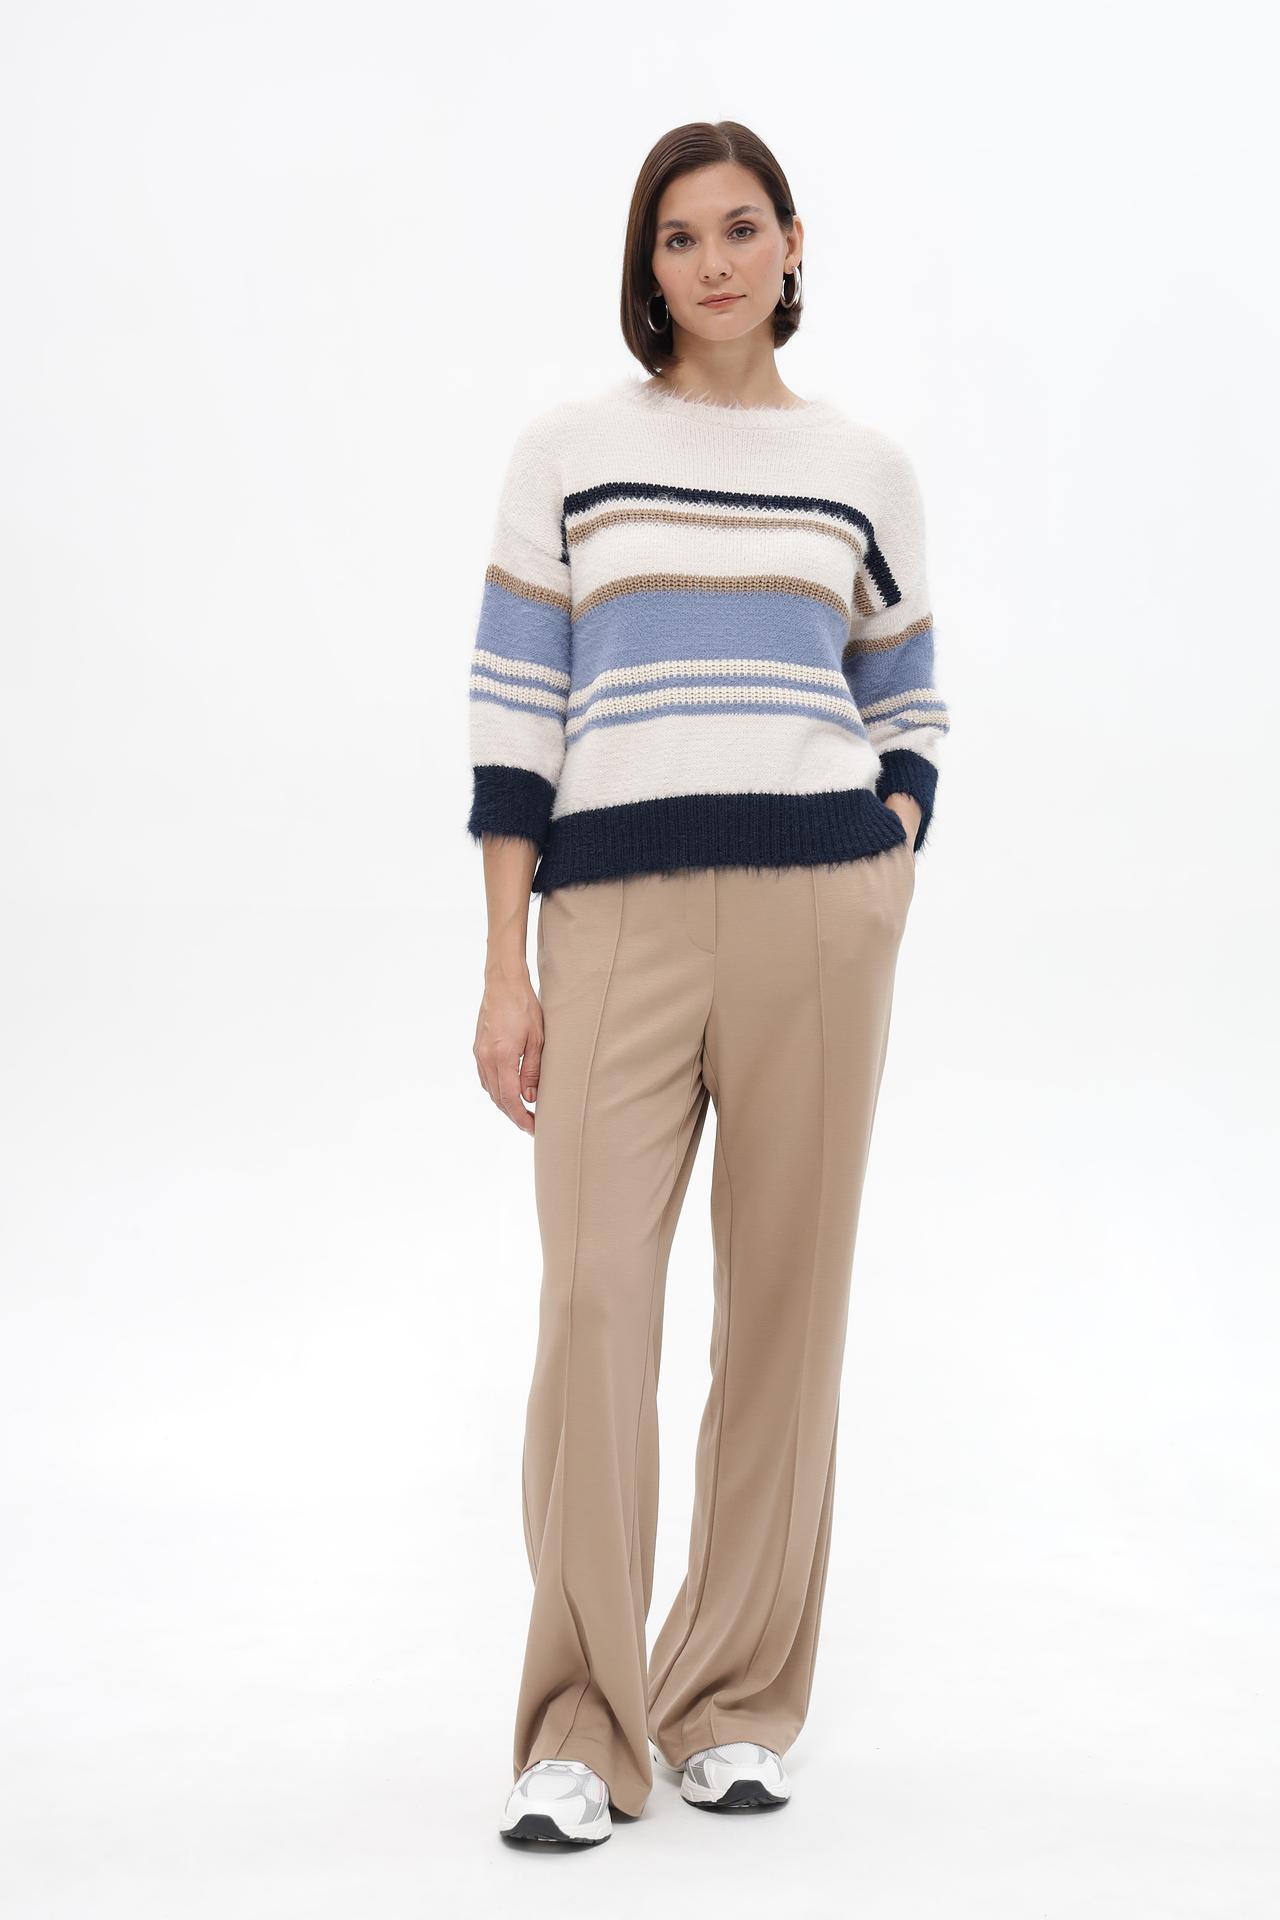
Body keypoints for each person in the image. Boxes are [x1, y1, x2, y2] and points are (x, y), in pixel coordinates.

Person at [468, 120, 950, 1846]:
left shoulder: (861, 464)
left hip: (821, 912)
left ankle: (733, 1701)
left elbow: (908, 695)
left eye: (742, 229)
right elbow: (516, 716)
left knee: (786, 1314)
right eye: (680, 238)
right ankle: (582, 1724)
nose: (714, 262)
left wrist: (888, 851)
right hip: (614, 918)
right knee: (596, 1301)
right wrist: (506, 961)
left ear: (794, 244)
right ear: (647, 264)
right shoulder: (570, 453)